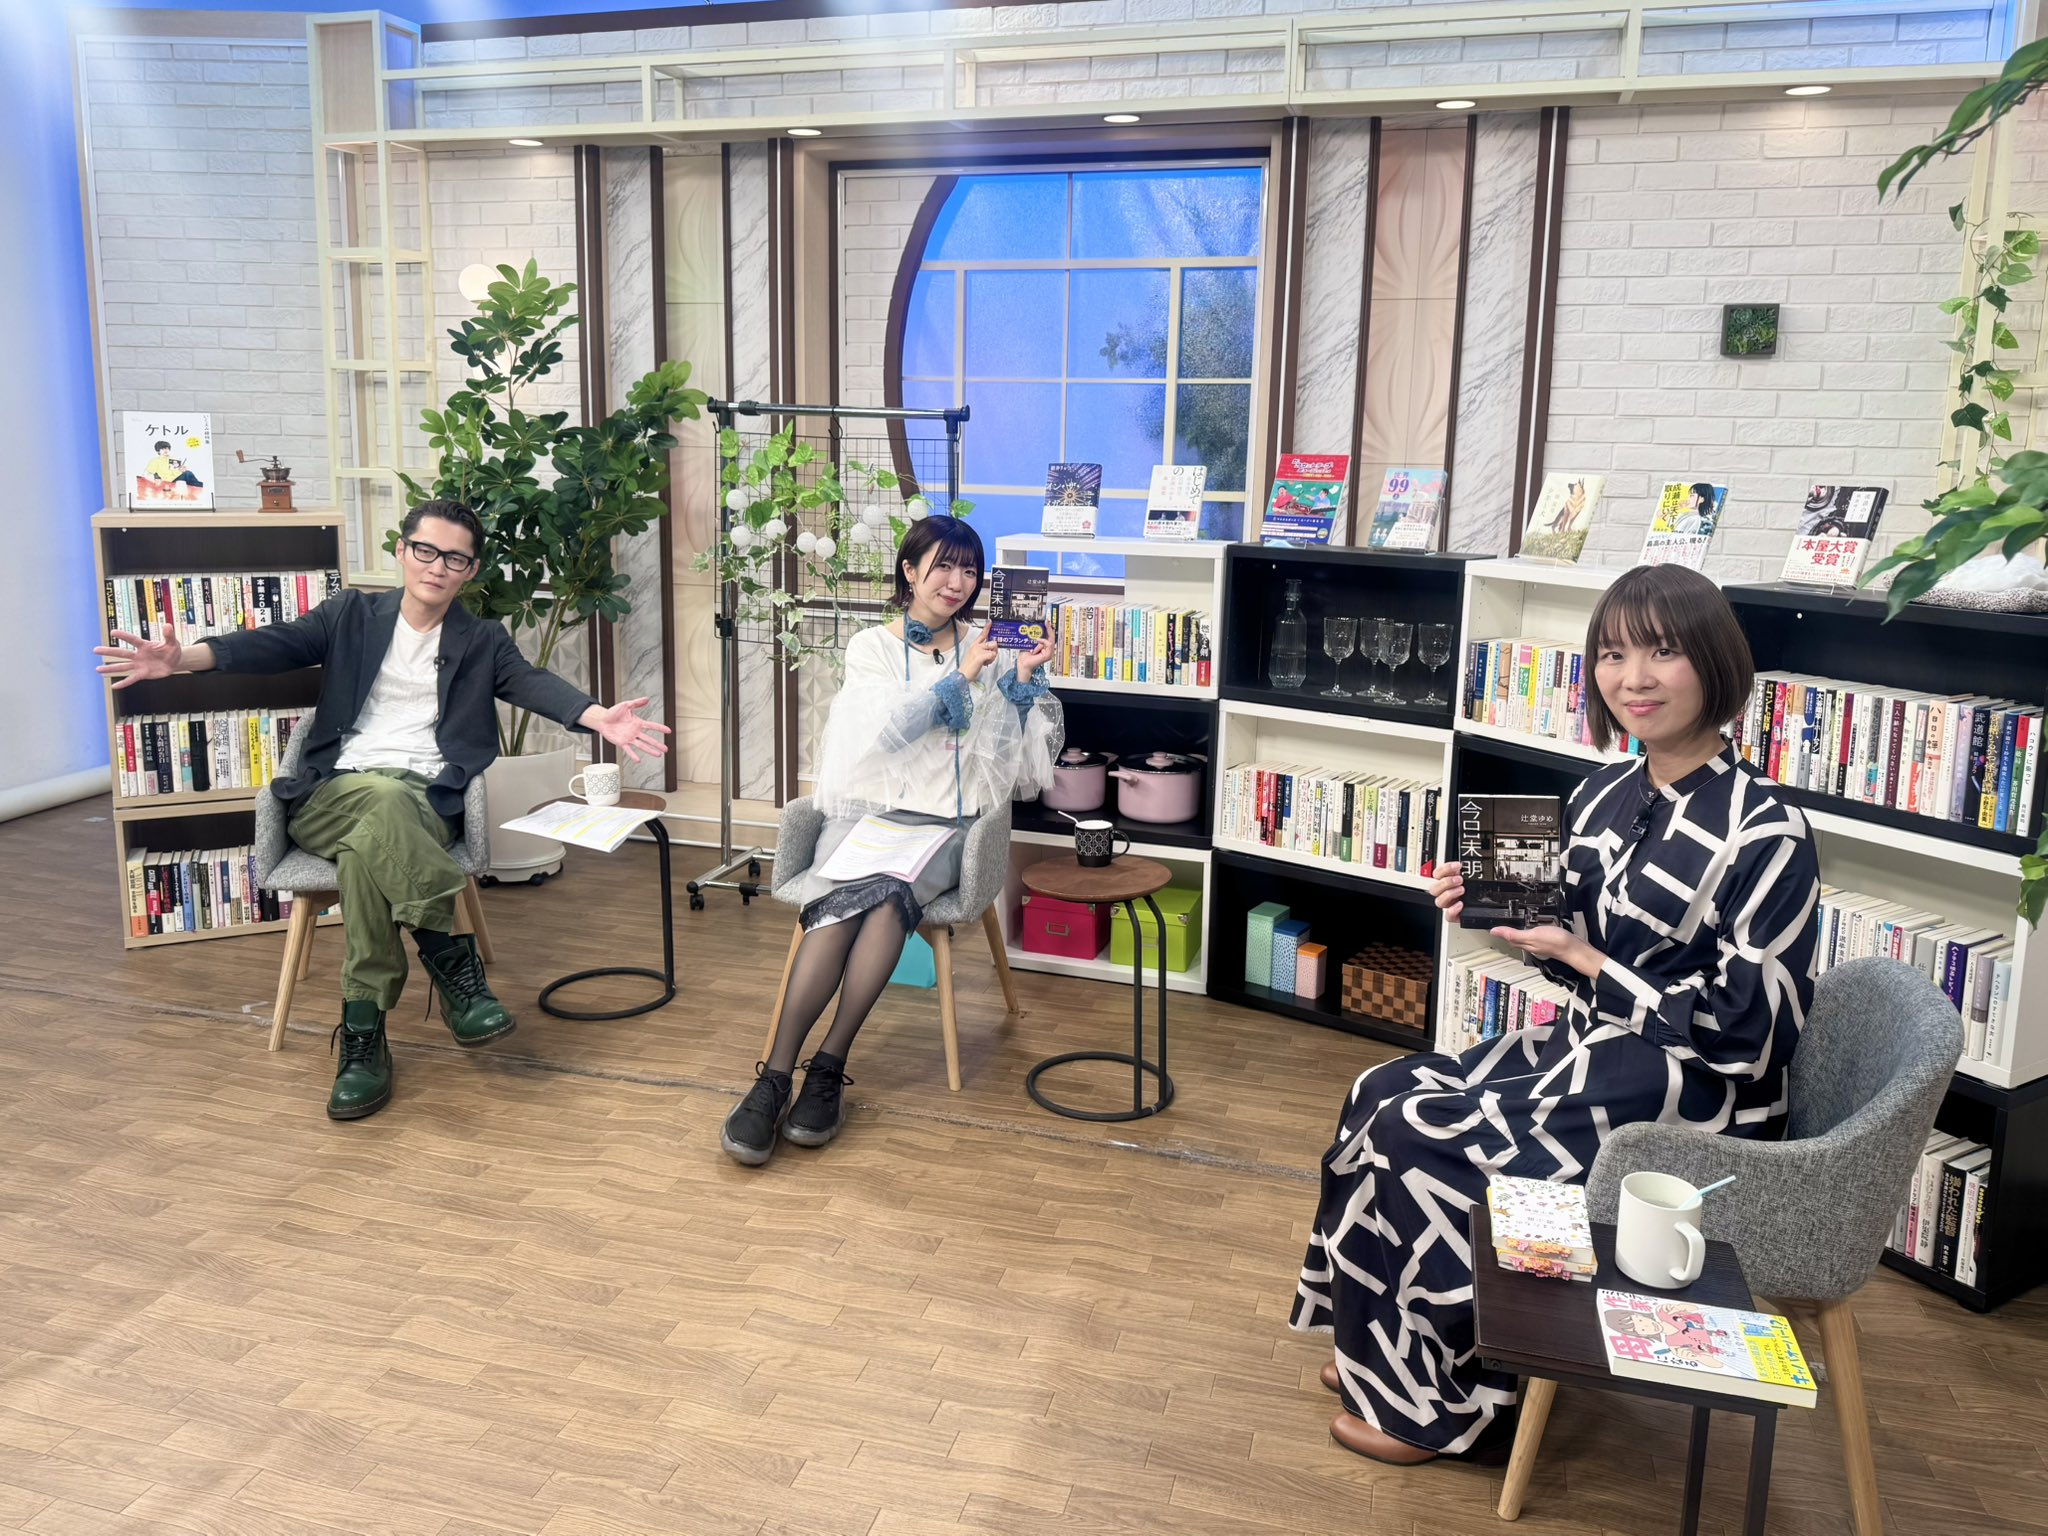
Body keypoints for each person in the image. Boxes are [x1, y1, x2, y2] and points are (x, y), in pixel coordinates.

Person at [1290, 562, 1818, 1466]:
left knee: (1424, 1135)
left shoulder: (1766, 832)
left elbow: (1750, 1037)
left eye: (1662, 652)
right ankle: (1385, 1348)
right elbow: (1560, 938)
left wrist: (1583, 959)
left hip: (1690, 1097)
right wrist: (1494, 914)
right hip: (1594, 1048)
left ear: (1714, 662)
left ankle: (1441, 1406)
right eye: (1612, 655)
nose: (1634, 679)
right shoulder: (1605, 793)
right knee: (1380, 1088)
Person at [92, 499, 670, 1121]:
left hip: (425, 799)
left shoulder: (481, 640)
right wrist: (182, 659)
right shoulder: (351, 615)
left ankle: (362, 1038)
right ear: (402, 550)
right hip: (332, 794)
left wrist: (596, 716)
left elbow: (530, 682)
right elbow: (272, 645)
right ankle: (450, 963)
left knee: (371, 845)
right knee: (379, 801)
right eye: (426, 550)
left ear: (471, 570)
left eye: (455, 558)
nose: (437, 566)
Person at [721, 514, 1061, 1165]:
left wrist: (1019, 683)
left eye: (969, 570)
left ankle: (829, 1066)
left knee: (884, 903)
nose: (957, 582)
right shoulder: (871, 648)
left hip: (946, 827)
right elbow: (886, 735)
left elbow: (1005, 765)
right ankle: (775, 1078)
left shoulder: (989, 645)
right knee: (841, 907)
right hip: (869, 819)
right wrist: (960, 676)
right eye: (943, 566)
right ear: (909, 570)